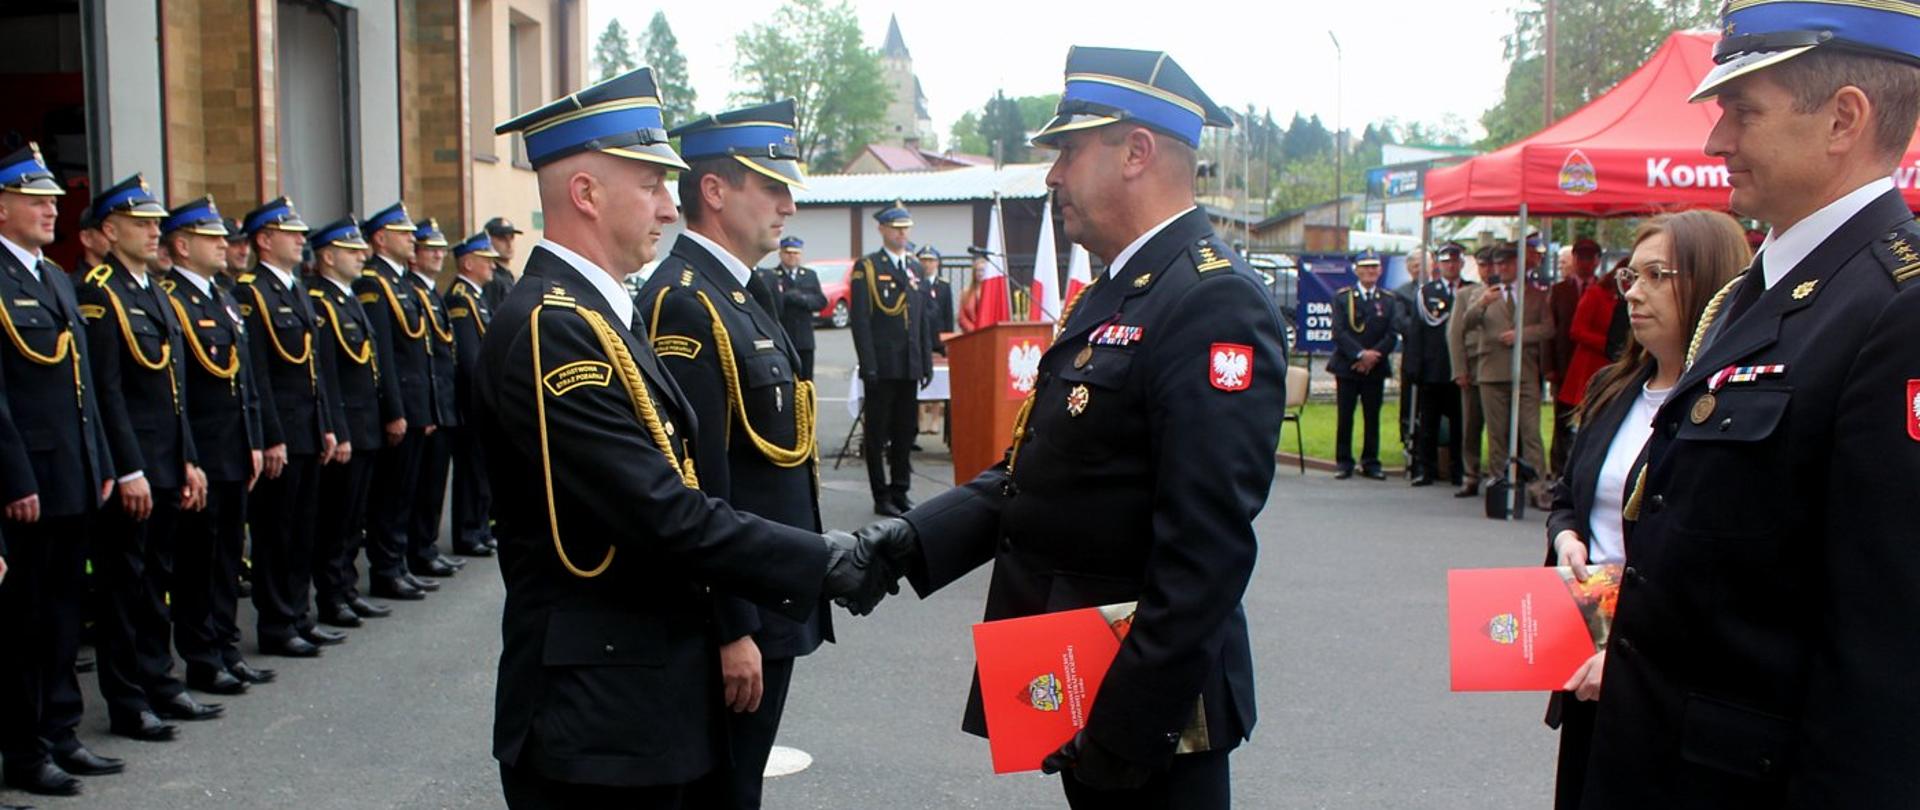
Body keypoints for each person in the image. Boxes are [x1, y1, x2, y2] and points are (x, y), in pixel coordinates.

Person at [863, 46, 1286, 809]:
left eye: (1068, 149)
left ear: (1137, 152)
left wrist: (1127, 727)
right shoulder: (1115, 291)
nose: (1053, 174)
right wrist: (912, 541)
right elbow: (1045, 466)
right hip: (1081, 678)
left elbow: (1207, 552)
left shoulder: (1210, 302)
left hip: (1146, 708)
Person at [483, 66, 906, 809]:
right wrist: (826, 562)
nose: (669, 204)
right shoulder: (556, 329)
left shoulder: (596, 314)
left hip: (638, 701)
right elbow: (664, 511)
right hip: (600, 718)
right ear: (585, 194)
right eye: (650, 183)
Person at [1587, 5, 1920, 805]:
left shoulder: (1896, 309)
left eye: (1742, 112)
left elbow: (1885, 657)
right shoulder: (1752, 292)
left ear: (1843, 118)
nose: (1715, 142)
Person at [635, 99, 835, 810]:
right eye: (770, 186)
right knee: (722, 794)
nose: (787, 204)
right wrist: (732, 629)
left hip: (769, 593)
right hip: (737, 611)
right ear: (714, 192)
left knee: (737, 785)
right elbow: (696, 481)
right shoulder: (685, 302)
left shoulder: (740, 294)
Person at [1543, 210, 1748, 810]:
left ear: (1708, 285)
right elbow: (1567, 498)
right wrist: (1566, 538)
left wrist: (1632, 655)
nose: (1633, 291)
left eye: (1658, 275)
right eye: (1632, 275)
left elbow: (1717, 562)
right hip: (1585, 652)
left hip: (1666, 676)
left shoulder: (1730, 401)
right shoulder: (1613, 386)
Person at [74, 175, 224, 742]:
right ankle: (128, 700)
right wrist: (129, 468)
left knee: (156, 580)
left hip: (166, 462)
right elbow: (106, 390)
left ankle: (159, 682)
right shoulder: (99, 291)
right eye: (141, 224)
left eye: (156, 223)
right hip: (133, 466)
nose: (153, 231)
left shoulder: (152, 290)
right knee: (125, 588)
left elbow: (175, 388)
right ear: (110, 231)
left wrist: (188, 459)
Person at [0, 144, 119, 798]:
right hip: (28, 484)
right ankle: (25, 747)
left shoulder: (52, 277)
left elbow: (82, 385)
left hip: (73, 474)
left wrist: (99, 459)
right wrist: (13, 479)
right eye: (36, 199)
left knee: (65, 614)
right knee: (25, 621)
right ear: (1, 207)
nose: (52, 209)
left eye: (53, 200)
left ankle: (63, 730)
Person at [160, 196, 274, 695]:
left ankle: (225, 646)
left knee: (228, 555)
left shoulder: (222, 298)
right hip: (203, 451)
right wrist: (187, 456)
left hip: (233, 449)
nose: (224, 245)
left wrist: (254, 439)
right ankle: (202, 656)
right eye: (211, 238)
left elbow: (244, 379)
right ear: (182, 246)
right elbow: (178, 389)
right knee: (197, 562)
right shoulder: (173, 300)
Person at [234, 196, 340, 658]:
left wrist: (327, 426)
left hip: (308, 429)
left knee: (303, 530)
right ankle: (277, 622)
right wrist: (271, 435)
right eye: (290, 233)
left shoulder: (295, 289)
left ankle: (299, 613)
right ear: (264, 239)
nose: (301, 240)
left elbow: (314, 368)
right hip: (283, 433)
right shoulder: (251, 292)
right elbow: (256, 372)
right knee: (276, 534)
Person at [304, 217, 393, 631]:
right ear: (327, 256)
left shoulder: (348, 298)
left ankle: (346, 591)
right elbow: (326, 375)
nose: (362, 255)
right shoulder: (320, 301)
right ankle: (331, 595)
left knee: (352, 518)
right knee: (335, 519)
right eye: (350, 249)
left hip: (364, 424)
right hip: (346, 427)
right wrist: (336, 429)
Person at [355, 202, 447, 600]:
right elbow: (385, 357)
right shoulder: (374, 285)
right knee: (390, 495)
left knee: (407, 491)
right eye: (402, 232)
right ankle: (386, 568)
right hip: (400, 408)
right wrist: (395, 410)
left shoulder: (402, 285)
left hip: (416, 405)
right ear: (379, 239)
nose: (412, 238)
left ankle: (400, 563)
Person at [849, 201, 934, 517]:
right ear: (882, 229)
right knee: (877, 434)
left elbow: (922, 320)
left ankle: (900, 490)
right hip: (881, 366)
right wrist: (868, 364)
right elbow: (861, 321)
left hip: (909, 365)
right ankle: (880, 494)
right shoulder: (868, 267)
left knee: (905, 431)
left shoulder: (914, 268)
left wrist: (924, 361)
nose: (902, 234)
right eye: (896, 228)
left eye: (906, 228)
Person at [1461, 240, 1552, 509]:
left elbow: (1549, 328)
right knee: (1497, 433)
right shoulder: (1485, 293)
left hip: (1524, 371)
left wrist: (1522, 335)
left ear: (1519, 265)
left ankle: (1538, 485)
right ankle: (1499, 481)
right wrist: (1482, 304)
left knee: (1530, 431)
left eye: (1507, 263)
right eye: (1499, 264)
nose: (1502, 268)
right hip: (1491, 371)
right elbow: (1465, 324)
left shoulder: (1535, 294)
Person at [405, 218, 463, 581]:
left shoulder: (430, 293)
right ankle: (408, 557)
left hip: (438, 404)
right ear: (415, 255)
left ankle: (424, 550)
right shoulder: (404, 290)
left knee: (431, 487)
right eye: (431, 249)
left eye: (442, 249)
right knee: (408, 492)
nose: (440, 255)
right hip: (419, 408)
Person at [444, 232, 497, 557]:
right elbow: (469, 358)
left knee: (481, 469)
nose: (491, 264)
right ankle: (467, 532)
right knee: (470, 469)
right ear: (467, 262)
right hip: (470, 400)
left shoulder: (476, 296)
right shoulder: (461, 298)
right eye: (485, 259)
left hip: (479, 400)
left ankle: (478, 527)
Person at [1326, 250, 1397, 480]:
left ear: (1380, 270)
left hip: (1375, 366)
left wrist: (1372, 357)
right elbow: (1338, 331)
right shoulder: (1343, 297)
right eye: (1365, 267)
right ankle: (1344, 462)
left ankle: (1371, 461)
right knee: (1345, 416)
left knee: (1372, 416)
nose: (1370, 271)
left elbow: (1392, 333)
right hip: (1348, 366)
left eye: (1374, 267)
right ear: (1356, 270)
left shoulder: (1388, 299)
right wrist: (1359, 355)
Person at [1405, 242, 1466, 487]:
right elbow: (1417, 332)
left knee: (1460, 425)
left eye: (1455, 261)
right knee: (1428, 424)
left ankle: (1458, 470)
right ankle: (1425, 469)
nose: (1451, 265)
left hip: (1460, 368)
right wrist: (1414, 367)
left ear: (1461, 264)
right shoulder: (1426, 293)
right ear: (1439, 265)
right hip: (1433, 368)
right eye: (1446, 261)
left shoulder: (1471, 290)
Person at [1546, 237, 1601, 480]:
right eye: (1580, 257)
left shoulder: (1603, 289)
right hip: (1563, 365)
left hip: (1594, 368)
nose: (1584, 262)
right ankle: (1558, 470)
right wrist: (1548, 367)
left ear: (1597, 260)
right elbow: (1550, 331)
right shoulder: (1559, 290)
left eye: (1589, 257)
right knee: (1562, 420)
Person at [1554, 250, 1625, 432]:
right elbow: (1577, 330)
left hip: (1614, 365)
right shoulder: (1596, 294)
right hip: (1589, 367)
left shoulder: (1624, 299)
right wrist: (1609, 344)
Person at [1447, 245, 1491, 498]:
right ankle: (1470, 473)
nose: (1488, 271)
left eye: (1491, 265)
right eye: (1483, 265)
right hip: (1473, 364)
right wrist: (1459, 369)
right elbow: (1455, 334)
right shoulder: (1467, 294)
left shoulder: (1510, 292)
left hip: (1497, 365)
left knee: (1502, 427)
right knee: (1471, 424)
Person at [756, 236, 826, 381]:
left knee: (806, 380)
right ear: (781, 254)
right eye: (788, 253)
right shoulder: (771, 276)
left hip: (805, 339)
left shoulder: (809, 275)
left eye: (796, 253)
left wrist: (802, 299)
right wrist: (786, 297)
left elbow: (820, 301)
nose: (792, 256)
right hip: (783, 336)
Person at [917, 244, 954, 351]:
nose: (927, 264)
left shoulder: (944, 285)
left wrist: (948, 338)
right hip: (920, 337)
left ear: (937, 263)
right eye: (923, 261)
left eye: (931, 261)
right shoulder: (914, 284)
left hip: (938, 337)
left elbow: (948, 314)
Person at [482, 216, 522, 311]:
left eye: (511, 237)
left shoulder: (506, 275)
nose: (509, 244)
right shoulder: (491, 278)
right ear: (489, 240)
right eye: (502, 238)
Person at [956, 248, 990, 332]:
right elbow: (961, 317)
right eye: (978, 270)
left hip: (989, 332)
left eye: (983, 270)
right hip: (971, 334)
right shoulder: (965, 293)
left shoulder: (992, 293)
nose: (980, 273)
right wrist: (973, 329)